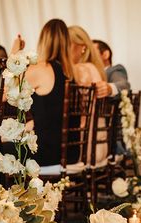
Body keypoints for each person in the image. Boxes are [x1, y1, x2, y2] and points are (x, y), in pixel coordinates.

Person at [9, 19, 79, 168]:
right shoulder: (72, 73)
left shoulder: (41, 69)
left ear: (43, 41)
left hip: (48, 154)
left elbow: (5, 91)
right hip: (71, 152)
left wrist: (14, 52)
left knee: (0, 149)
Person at [68, 26, 109, 165]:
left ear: (82, 47)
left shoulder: (80, 69)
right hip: (100, 143)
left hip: (83, 148)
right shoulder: (95, 68)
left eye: (68, 44)